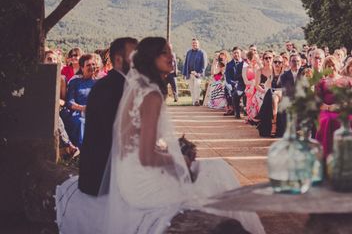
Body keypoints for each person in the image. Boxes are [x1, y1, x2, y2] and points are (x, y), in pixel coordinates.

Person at [56, 37, 264, 234]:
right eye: (164, 53)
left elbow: (133, 141)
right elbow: (146, 156)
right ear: (150, 59)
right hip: (138, 181)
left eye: (171, 52)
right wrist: (179, 159)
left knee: (212, 171)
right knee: (218, 170)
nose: (171, 57)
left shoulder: (138, 89)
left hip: (127, 172)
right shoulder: (150, 94)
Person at [79, 37, 138, 196]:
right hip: (101, 177)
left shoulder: (115, 83)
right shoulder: (114, 88)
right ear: (119, 60)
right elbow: (118, 137)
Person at [314, 56, 352, 158]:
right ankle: (327, 156)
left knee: (351, 119)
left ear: (337, 66)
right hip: (327, 110)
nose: (331, 68)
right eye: (328, 66)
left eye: (333, 65)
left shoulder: (347, 80)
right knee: (328, 121)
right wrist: (329, 107)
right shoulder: (321, 82)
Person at [63, 54, 98, 147]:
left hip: (95, 113)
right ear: (82, 68)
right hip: (77, 112)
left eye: (93, 64)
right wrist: (83, 108)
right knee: (81, 122)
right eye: (88, 65)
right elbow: (69, 102)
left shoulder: (99, 83)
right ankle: (82, 150)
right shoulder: (75, 82)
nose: (92, 67)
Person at [182, 38, 208, 106]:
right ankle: (194, 102)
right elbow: (186, 63)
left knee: (197, 87)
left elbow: (204, 64)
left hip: (198, 74)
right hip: (190, 74)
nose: (194, 44)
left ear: (198, 44)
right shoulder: (189, 52)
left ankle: (197, 101)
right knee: (192, 89)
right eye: (193, 43)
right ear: (191, 44)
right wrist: (184, 74)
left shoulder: (202, 52)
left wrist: (199, 73)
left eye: (196, 43)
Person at [224, 47, 245, 118]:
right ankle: (235, 111)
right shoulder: (229, 64)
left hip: (244, 83)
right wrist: (234, 83)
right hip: (233, 84)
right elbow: (227, 78)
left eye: (237, 53)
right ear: (232, 54)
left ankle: (242, 111)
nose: (236, 54)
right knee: (229, 89)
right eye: (234, 53)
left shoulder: (245, 63)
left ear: (240, 54)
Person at [243, 50, 261, 124]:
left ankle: (257, 116)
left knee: (256, 90)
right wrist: (253, 83)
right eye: (253, 59)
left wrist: (254, 83)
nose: (254, 61)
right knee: (251, 91)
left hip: (257, 87)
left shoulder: (259, 68)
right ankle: (251, 116)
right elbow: (246, 81)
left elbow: (261, 80)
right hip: (249, 87)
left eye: (255, 59)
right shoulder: (245, 69)